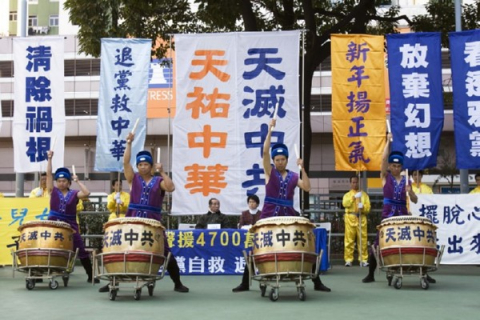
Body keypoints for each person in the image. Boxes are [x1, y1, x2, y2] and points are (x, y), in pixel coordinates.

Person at [232, 118, 331, 292]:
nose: (279, 162)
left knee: (303, 243)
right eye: (276, 159)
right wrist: (270, 129)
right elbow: (264, 153)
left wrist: (303, 168)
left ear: (287, 160)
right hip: (269, 214)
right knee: (256, 245)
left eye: (282, 159)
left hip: (288, 214)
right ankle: (245, 282)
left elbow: (307, 187)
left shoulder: (293, 176)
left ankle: (316, 281)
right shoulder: (269, 172)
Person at [102, 131, 188, 293]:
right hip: (133, 218)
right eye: (140, 164)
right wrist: (129, 143)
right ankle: (114, 281)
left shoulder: (159, 181)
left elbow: (171, 188)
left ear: (150, 166)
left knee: (164, 250)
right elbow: (126, 162)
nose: (142, 167)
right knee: (124, 248)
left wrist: (162, 171)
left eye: (145, 164)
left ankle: (177, 282)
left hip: (152, 220)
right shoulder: (133, 179)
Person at [362, 133, 418, 283]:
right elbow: (382, 159)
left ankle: (421, 270)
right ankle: (371, 274)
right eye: (393, 165)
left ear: (401, 167)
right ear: (390, 166)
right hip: (388, 215)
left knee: (408, 242)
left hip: (402, 215)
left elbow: (415, 200)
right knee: (378, 243)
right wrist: (388, 142)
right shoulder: (385, 177)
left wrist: (410, 191)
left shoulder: (407, 180)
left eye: (398, 166)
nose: (396, 168)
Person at [45, 150, 99, 283]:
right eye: (59, 181)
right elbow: (48, 175)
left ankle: (91, 275)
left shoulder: (75, 193)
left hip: (70, 225)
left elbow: (87, 193)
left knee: (80, 248)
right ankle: (41, 272)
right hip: (54, 223)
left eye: (64, 181)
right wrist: (50, 159)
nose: (61, 183)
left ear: (69, 182)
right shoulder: (53, 191)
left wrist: (78, 181)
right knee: (49, 246)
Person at [342, 176, 371, 267]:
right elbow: (345, 204)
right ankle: (348, 259)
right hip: (350, 217)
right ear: (350, 183)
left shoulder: (364, 195)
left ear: (359, 183)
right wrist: (353, 198)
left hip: (361, 217)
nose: (355, 184)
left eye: (356, 182)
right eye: (353, 182)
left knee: (362, 239)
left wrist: (363, 207)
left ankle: (363, 259)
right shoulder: (347, 195)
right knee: (349, 239)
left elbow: (368, 208)